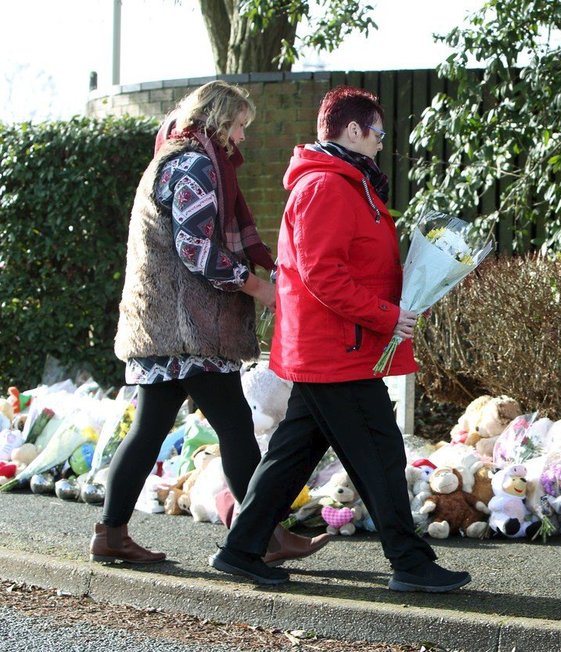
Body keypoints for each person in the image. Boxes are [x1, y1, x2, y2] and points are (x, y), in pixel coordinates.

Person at [209, 86, 471, 592]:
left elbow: (349, 268)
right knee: (381, 452)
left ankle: (241, 550)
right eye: (376, 132)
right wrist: (385, 315)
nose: (379, 142)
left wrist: (401, 299)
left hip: (333, 347)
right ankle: (411, 563)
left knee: (293, 456)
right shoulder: (326, 187)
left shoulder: (348, 184)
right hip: (336, 351)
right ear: (353, 131)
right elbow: (322, 275)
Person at [93, 81, 329, 566]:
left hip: (166, 327)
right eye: (240, 125)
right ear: (219, 121)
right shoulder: (196, 166)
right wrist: (260, 289)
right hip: (188, 330)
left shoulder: (173, 158)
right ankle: (261, 536)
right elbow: (197, 249)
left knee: (153, 430)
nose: (241, 138)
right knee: (235, 428)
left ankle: (111, 535)